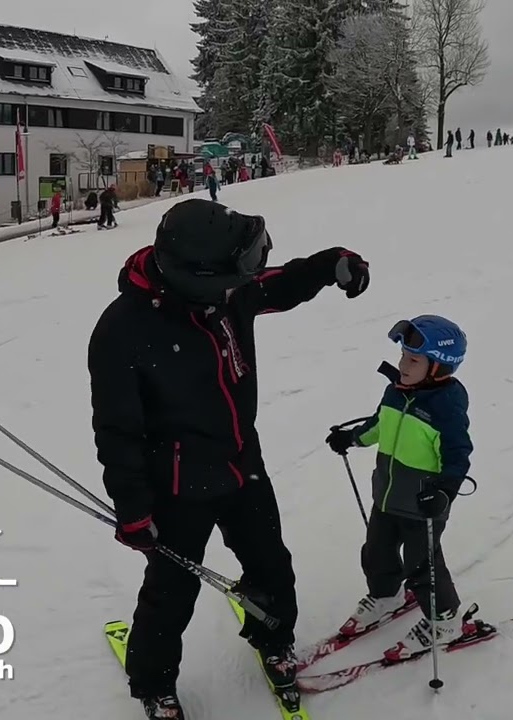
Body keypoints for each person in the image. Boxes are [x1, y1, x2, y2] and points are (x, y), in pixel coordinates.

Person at [88, 198, 371, 720]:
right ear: (197, 276)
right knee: (171, 593)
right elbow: (116, 432)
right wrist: (133, 509)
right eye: (231, 278)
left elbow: (280, 283)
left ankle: (274, 638)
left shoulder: (226, 292)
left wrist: (332, 264)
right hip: (177, 484)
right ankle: (154, 684)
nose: (241, 285)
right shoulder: (122, 332)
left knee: (270, 563)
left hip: (242, 462)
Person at [324, 315, 473, 661]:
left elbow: (458, 455)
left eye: (414, 360)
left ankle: (445, 620)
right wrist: (352, 438)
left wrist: (444, 492)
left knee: (423, 567)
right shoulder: (395, 392)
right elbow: (379, 425)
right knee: (376, 553)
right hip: (387, 496)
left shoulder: (445, 407)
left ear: (438, 366)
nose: (403, 365)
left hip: (423, 504)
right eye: (403, 356)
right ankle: (386, 595)